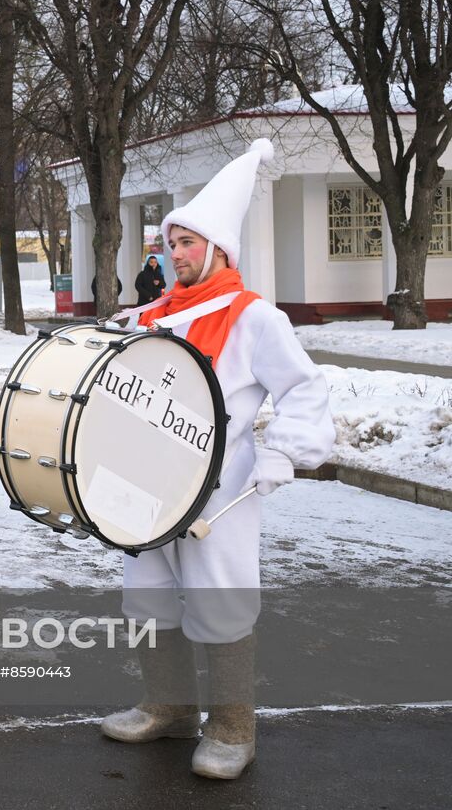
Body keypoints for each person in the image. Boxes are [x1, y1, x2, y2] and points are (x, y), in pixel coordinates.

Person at [101, 139, 334, 779]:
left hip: (219, 488)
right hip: (149, 482)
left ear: (219, 251)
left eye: (187, 244)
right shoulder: (152, 315)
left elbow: (304, 388)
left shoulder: (256, 316)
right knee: (148, 596)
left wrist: (285, 451)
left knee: (220, 599)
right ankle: (167, 708)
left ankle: (233, 729)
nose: (174, 255)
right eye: (170, 244)